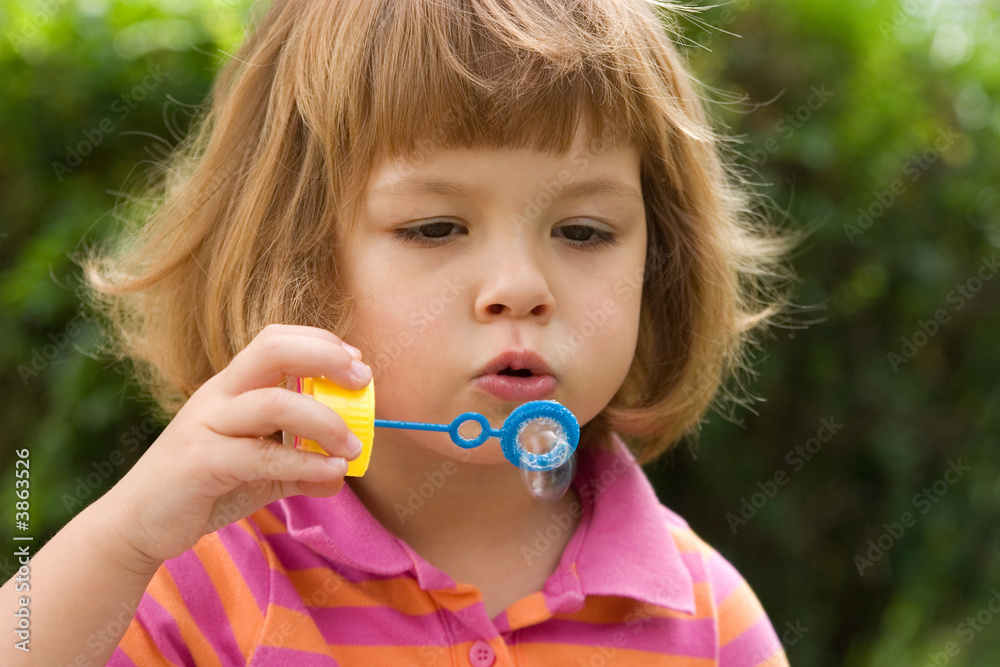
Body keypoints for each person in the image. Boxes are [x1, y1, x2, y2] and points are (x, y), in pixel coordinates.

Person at [3, 0, 797, 663]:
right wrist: (122, 541)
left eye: (584, 231)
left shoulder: (705, 622)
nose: (521, 287)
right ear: (298, 258)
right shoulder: (200, 575)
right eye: (436, 227)